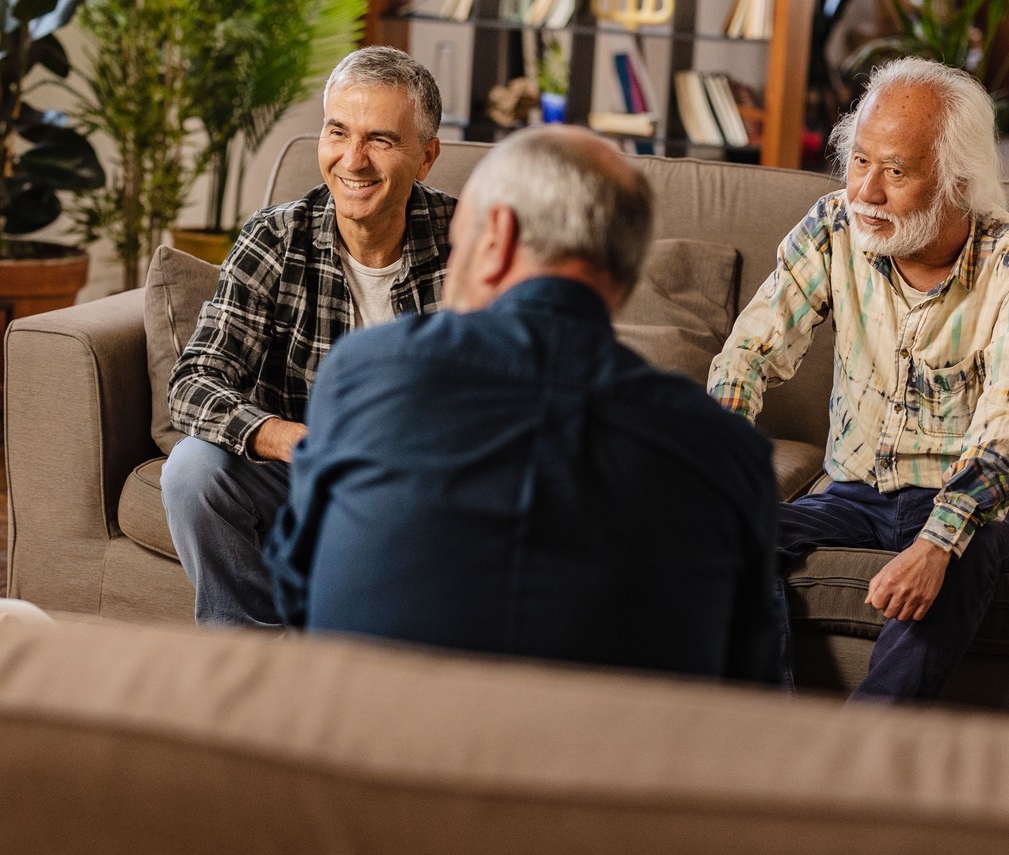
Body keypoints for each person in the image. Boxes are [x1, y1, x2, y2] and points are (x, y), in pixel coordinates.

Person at [266, 126, 784, 684]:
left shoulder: (367, 369)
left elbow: (297, 588)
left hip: (371, 751)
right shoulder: (729, 453)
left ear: (497, 237)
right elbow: (748, 689)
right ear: (624, 276)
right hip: (607, 764)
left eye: (459, 246)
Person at [708, 57, 1009, 702]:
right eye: (860, 161)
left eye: (895, 171)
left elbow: (1008, 426)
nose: (867, 191)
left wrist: (938, 539)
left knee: (961, 555)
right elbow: (748, 353)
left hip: (986, 507)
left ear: (958, 181)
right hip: (856, 492)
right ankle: (765, 744)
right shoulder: (832, 226)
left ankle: (855, 769)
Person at [163, 46, 454, 627]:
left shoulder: (470, 244)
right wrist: (290, 439)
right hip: (301, 465)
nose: (353, 160)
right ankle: (251, 663)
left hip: (425, 477)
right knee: (192, 472)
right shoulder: (275, 237)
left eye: (381, 140)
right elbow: (193, 382)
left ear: (425, 158)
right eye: (337, 133)